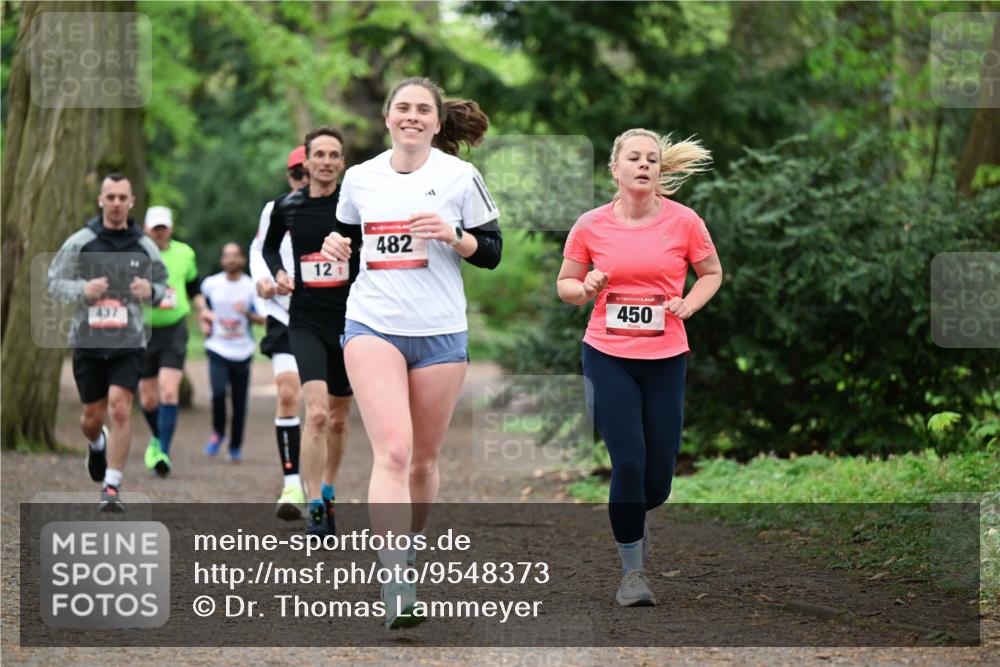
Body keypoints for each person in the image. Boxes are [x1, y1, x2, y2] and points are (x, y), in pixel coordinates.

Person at [321, 76, 502, 629]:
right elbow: (348, 245)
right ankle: (395, 575)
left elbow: (491, 252)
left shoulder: (460, 176)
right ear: (387, 117)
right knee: (394, 452)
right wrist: (335, 249)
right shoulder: (360, 178)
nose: (413, 116)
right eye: (404, 107)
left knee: (423, 461)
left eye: (424, 109)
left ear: (437, 121)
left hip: (441, 333)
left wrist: (454, 235)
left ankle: (409, 549)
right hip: (373, 324)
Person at [556, 128, 723, 607]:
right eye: (634, 157)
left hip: (666, 357)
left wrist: (689, 304)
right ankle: (632, 573)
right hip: (607, 354)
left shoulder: (685, 222)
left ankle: (631, 514)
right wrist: (585, 286)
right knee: (627, 461)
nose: (644, 164)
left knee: (656, 481)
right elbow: (565, 285)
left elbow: (712, 273)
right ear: (616, 168)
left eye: (652, 158)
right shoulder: (590, 225)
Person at [47, 173, 168, 511]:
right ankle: (96, 443)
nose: (116, 203)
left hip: (128, 341)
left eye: (122, 197)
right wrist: (81, 290)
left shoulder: (144, 245)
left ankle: (111, 486)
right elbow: (54, 280)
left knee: (119, 407)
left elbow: (162, 287)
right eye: (110, 197)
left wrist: (151, 291)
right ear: (101, 200)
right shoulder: (81, 241)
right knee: (91, 417)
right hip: (88, 340)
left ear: (131, 202)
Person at [263, 128, 356, 537]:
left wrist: (355, 254)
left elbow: (372, 249)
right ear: (307, 162)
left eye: (334, 155)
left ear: (341, 162)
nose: (326, 161)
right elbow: (268, 247)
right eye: (319, 154)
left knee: (338, 418)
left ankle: (330, 490)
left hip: (350, 320)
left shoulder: (353, 208)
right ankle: (315, 502)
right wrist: (279, 272)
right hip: (305, 320)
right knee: (316, 414)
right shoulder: (288, 207)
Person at [248, 145, 310, 519]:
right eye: (296, 174)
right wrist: (265, 282)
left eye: (308, 172)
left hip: (325, 317)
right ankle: (292, 482)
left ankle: (321, 491)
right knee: (288, 392)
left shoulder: (341, 207)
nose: (302, 179)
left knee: (327, 411)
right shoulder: (276, 209)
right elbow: (259, 250)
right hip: (283, 316)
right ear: (289, 177)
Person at [139, 206, 200, 478]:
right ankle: (156, 437)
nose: (160, 233)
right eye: (155, 228)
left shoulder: (185, 253)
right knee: (149, 399)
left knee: (168, 391)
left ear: (171, 229)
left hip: (175, 328)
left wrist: (204, 309)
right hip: (142, 330)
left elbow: (192, 287)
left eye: (164, 227)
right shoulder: (134, 254)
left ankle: (163, 451)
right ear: (146, 229)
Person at [198, 243, 264, 462]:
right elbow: (203, 312)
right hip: (217, 347)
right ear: (221, 260)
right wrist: (204, 322)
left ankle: (235, 446)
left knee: (239, 402)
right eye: (227, 256)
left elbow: (262, 319)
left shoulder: (250, 286)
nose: (231, 260)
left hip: (242, 350)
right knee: (217, 393)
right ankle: (218, 432)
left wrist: (246, 313)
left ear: (242, 260)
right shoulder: (211, 284)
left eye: (235, 255)